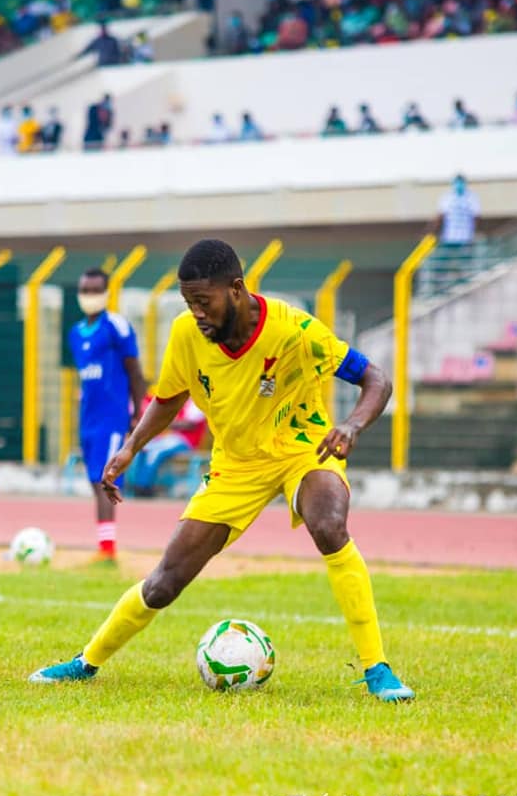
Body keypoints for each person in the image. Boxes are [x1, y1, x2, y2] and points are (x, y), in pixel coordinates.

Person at [30, 239, 415, 703]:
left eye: (203, 302)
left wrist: (352, 425)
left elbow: (376, 378)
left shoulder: (293, 329)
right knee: (164, 581)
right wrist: (131, 447)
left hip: (303, 450)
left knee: (329, 525)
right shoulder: (187, 334)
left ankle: (377, 668)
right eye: (189, 303)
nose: (197, 314)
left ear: (236, 290)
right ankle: (86, 662)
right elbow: (169, 398)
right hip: (234, 466)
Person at [68, 269, 146, 563]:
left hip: (113, 417)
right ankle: (104, 541)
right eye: (85, 290)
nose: (89, 296)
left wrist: (139, 412)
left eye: (95, 290)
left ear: (106, 292)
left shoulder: (117, 326)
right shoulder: (75, 333)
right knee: (92, 478)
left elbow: (134, 371)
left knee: (105, 478)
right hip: (88, 417)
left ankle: (107, 549)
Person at [130, 396, 207, 497]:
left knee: (156, 453)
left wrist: (164, 422)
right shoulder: (181, 400)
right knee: (145, 447)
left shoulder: (196, 403)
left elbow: (189, 424)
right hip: (172, 438)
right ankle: (137, 485)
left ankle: (145, 487)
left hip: (186, 441)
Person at [436, 174, 480, 249]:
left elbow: (476, 217)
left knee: (464, 259)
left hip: (466, 238)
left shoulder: (472, 197)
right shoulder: (447, 197)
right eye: (457, 183)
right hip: (449, 237)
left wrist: (474, 235)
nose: (459, 185)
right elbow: (441, 216)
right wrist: (435, 232)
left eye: (461, 183)